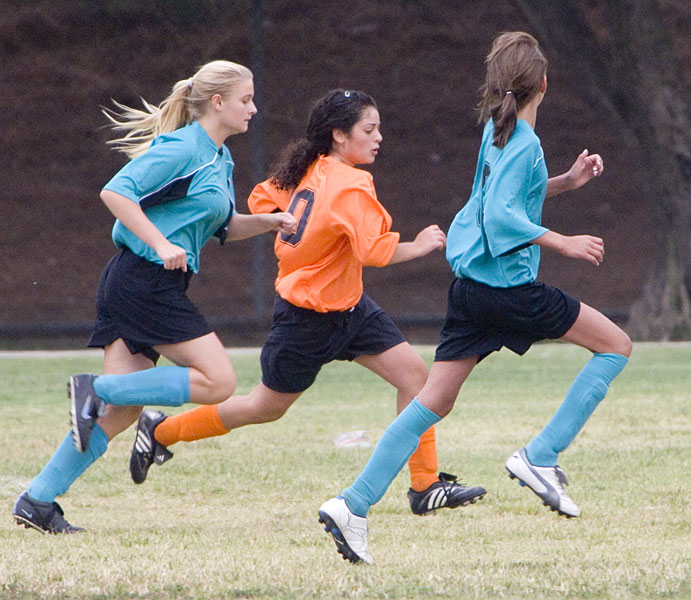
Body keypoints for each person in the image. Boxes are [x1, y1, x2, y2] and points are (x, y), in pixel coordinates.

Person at [318, 32, 633, 564]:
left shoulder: (498, 128)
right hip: (507, 291)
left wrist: (566, 182)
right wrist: (563, 241)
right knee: (615, 346)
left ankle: (352, 503)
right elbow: (501, 216)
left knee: (432, 402)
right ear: (544, 84)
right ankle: (541, 455)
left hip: (470, 289)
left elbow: (505, 197)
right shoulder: (522, 139)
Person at [128, 89, 486, 517]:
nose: (378, 138)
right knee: (264, 407)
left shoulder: (311, 168)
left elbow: (263, 199)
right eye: (369, 130)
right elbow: (374, 252)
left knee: (415, 378)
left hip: (350, 308)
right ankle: (162, 430)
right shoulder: (351, 183)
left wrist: (308, 229)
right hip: (305, 320)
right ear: (339, 135)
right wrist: (419, 245)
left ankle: (425, 486)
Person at [12, 60, 297, 535]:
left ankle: (37, 500)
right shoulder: (184, 147)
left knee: (121, 413)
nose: (254, 108)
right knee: (218, 382)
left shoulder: (219, 157)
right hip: (142, 282)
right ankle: (95, 388)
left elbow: (221, 226)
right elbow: (116, 192)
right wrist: (162, 244)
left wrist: (267, 223)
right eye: (246, 99)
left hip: (146, 283)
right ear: (217, 102)